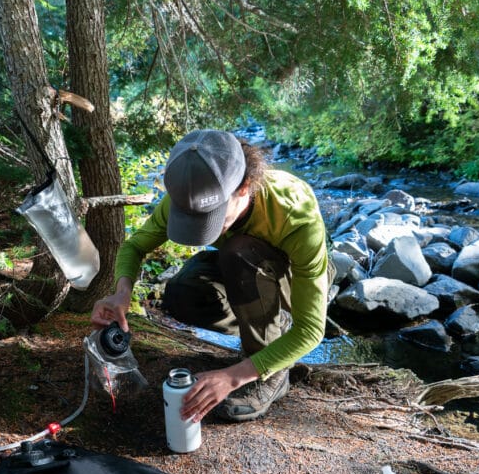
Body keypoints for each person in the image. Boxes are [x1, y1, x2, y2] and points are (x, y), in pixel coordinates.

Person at [91, 129, 330, 423]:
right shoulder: (187, 193)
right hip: (241, 268)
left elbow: (310, 331)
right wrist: (122, 292)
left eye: (213, 218)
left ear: (244, 187)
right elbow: (134, 246)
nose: (205, 229)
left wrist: (233, 377)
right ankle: (265, 332)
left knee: (237, 251)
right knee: (183, 292)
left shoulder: (293, 212)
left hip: (291, 276)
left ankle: (273, 373)